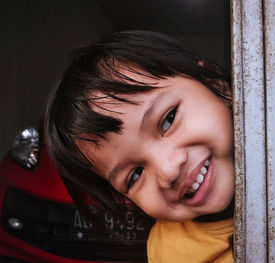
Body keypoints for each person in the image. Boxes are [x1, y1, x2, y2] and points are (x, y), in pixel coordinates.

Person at [45, 30, 235, 262]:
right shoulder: (168, 253)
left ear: (214, 83)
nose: (168, 170)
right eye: (135, 175)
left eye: (168, 119)